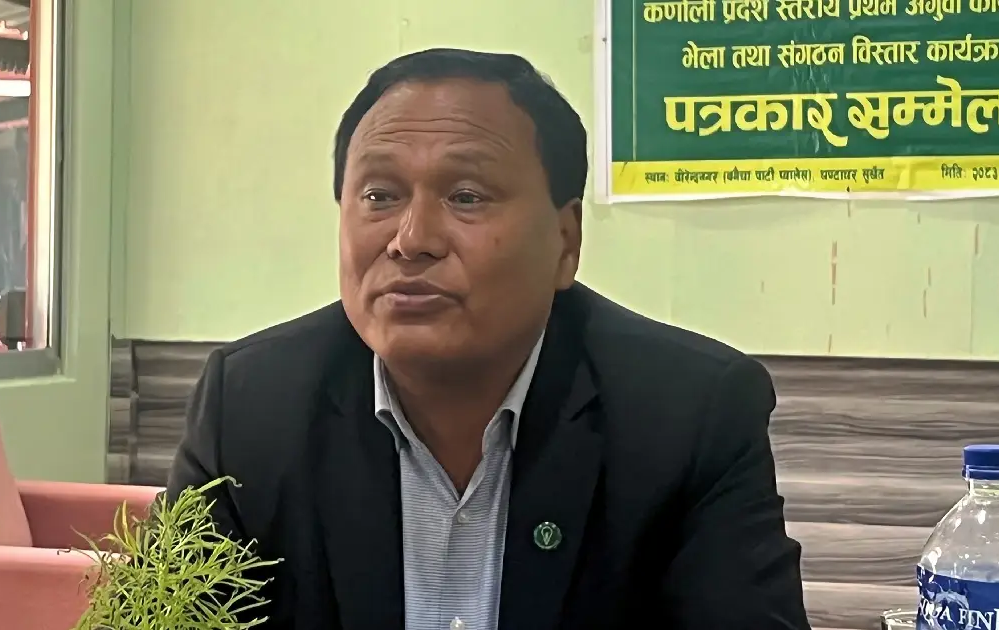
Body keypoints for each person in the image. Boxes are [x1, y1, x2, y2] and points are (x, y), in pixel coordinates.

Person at [168, 48, 810, 630]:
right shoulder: (248, 408)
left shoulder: (688, 416)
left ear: (566, 241)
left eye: (467, 196)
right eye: (380, 195)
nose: (411, 240)